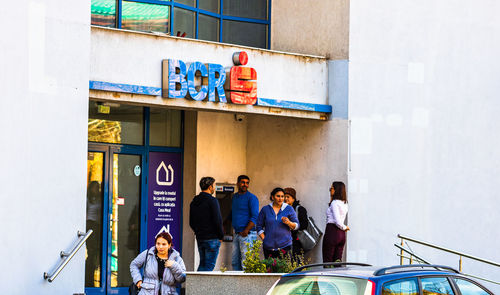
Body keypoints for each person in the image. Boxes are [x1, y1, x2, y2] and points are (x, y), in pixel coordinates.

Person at [189, 176, 224, 271]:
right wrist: (221, 236)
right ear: (210, 187)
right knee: (209, 266)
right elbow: (217, 220)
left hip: (200, 238)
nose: (214, 188)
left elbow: (191, 222)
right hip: (212, 239)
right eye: (213, 186)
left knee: (203, 264)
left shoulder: (194, 202)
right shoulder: (213, 201)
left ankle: (197, 285)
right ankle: (201, 286)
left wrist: (198, 232)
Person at [257, 187, 299, 258]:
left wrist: (289, 223)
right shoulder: (265, 209)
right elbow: (258, 226)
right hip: (269, 247)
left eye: (282, 196)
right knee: (270, 269)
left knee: (285, 269)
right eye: (278, 196)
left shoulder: (289, 209)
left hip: (285, 246)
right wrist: (265, 239)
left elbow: (296, 225)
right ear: (272, 197)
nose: (281, 198)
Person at [231, 175, 259, 270]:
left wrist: (246, 230)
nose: (245, 185)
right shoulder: (234, 197)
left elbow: (255, 216)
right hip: (237, 234)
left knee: (246, 263)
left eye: (247, 183)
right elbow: (232, 213)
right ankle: (237, 285)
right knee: (235, 262)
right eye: (243, 182)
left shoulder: (252, 198)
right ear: (237, 183)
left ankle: (247, 285)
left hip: (248, 234)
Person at [322, 181, 350, 263]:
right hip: (341, 234)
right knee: (337, 260)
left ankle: (328, 275)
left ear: (336, 190)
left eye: (331, 188)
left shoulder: (335, 203)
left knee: (328, 260)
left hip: (332, 231)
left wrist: (345, 227)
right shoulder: (345, 203)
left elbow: (337, 221)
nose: (330, 190)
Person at [284, 187, 309, 260]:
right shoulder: (282, 209)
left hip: (296, 243)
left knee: (296, 262)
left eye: (288, 197)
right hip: (284, 242)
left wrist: (292, 226)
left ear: (293, 198)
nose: (285, 199)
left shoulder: (300, 209)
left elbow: (304, 225)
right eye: (284, 197)